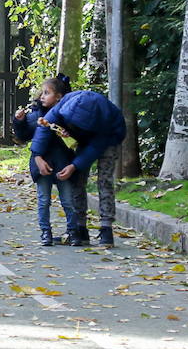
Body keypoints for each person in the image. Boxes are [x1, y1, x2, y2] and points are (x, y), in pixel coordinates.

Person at [33, 87, 127, 247]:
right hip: (85, 139)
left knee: (104, 181)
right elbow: (45, 127)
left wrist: (74, 165)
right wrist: (37, 155)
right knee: (77, 180)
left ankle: (106, 229)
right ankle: (79, 228)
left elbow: (95, 147)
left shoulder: (104, 119)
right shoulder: (62, 107)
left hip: (109, 138)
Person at [13, 74, 79, 247]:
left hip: (63, 162)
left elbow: (76, 140)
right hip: (40, 163)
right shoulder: (35, 115)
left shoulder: (68, 116)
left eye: (47, 93)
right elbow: (23, 136)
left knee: (67, 200)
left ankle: (73, 232)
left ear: (58, 97)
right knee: (44, 200)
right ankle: (45, 232)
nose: (42, 96)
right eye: (42, 93)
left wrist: (68, 134)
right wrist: (19, 122)